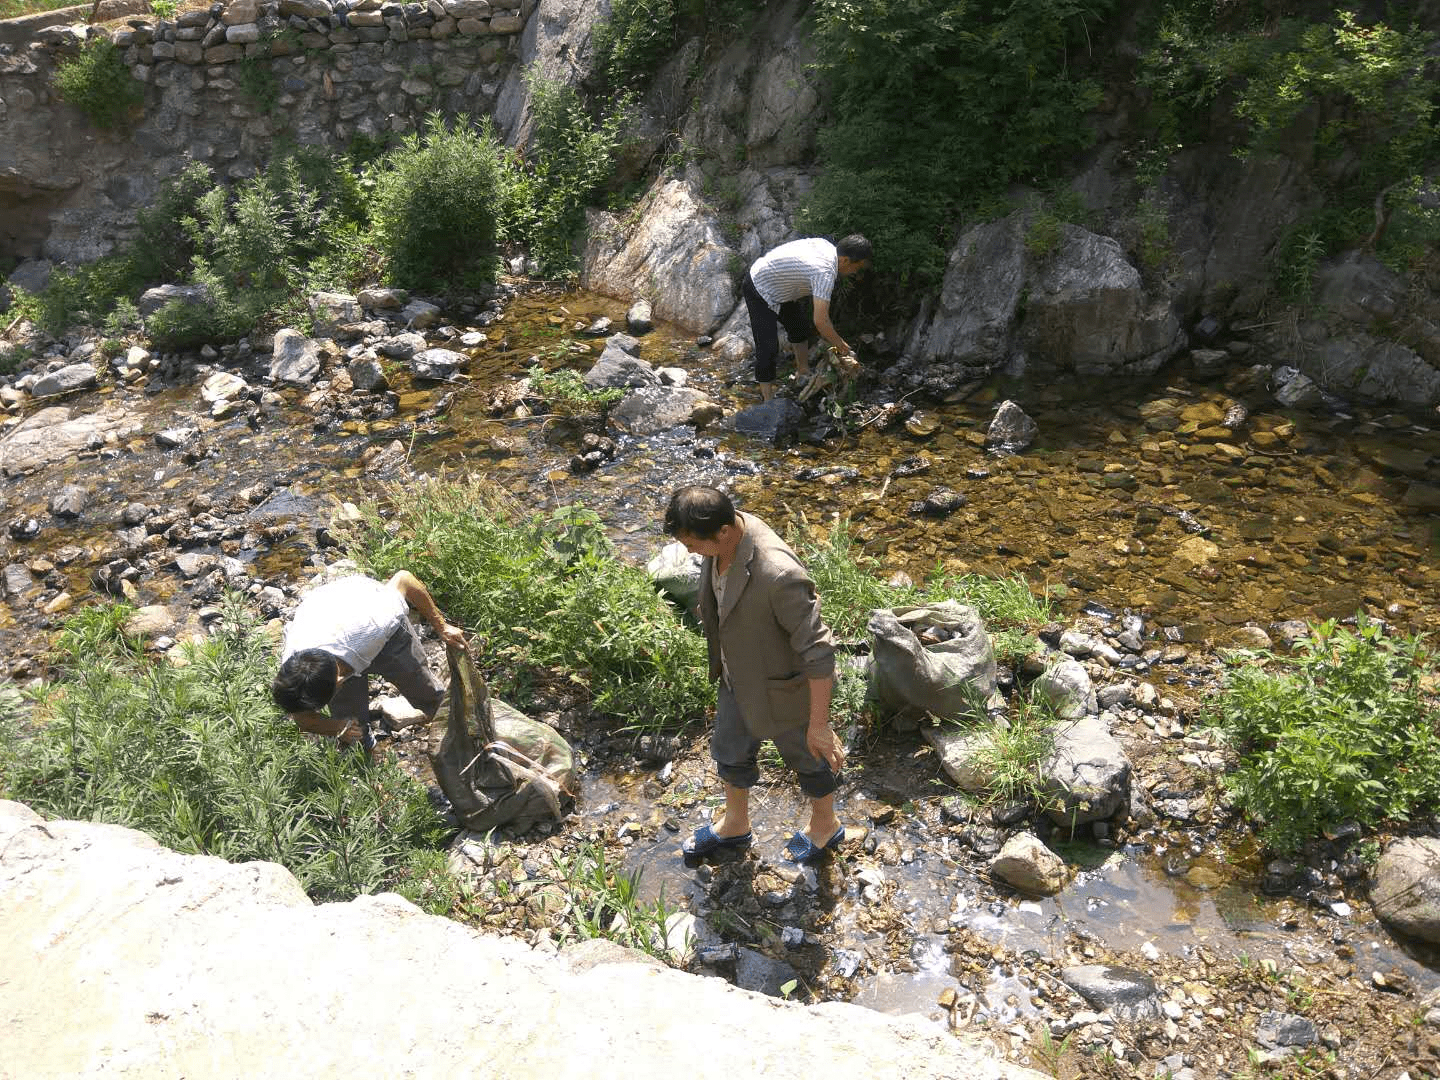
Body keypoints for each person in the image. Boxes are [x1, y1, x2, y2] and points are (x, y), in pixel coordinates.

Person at [663, 485, 847, 863]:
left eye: (693, 544)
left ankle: (826, 825)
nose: (689, 551)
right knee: (730, 751)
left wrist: (820, 724)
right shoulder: (726, 533)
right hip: (738, 676)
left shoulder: (779, 574)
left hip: (784, 688)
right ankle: (735, 824)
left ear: (724, 533)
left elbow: (819, 650)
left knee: (809, 757)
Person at [271, 570, 467, 756]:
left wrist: (442, 627)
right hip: (324, 613)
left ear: (339, 680)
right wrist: (338, 727)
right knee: (352, 726)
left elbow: (404, 579)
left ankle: (462, 737)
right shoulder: (296, 671)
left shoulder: (376, 623)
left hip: (383, 633)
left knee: (426, 692)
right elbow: (303, 718)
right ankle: (367, 761)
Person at [742, 233, 872, 401]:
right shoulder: (824, 273)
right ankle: (768, 400)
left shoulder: (826, 246)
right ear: (846, 260)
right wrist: (841, 345)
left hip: (782, 286)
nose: (856, 272)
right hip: (759, 286)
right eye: (858, 267)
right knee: (767, 348)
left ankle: (802, 371)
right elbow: (821, 321)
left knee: (799, 328)